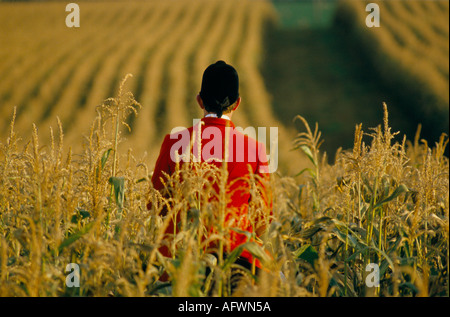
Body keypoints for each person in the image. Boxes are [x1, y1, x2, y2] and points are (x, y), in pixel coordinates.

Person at [148, 60, 272, 283]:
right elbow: (262, 220)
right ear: (237, 104)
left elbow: (156, 205)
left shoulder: (174, 142)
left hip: (180, 263)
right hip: (238, 260)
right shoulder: (257, 149)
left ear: (199, 100)